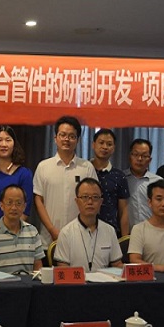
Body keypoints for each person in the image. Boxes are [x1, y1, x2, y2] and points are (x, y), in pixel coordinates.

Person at [33, 116, 98, 247]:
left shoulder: (86, 167)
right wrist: (51, 230)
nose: (66, 139)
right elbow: (38, 200)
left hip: (81, 238)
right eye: (62, 135)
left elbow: (94, 200)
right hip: (49, 239)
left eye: (71, 136)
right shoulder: (43, 166)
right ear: (55, 138)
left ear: (78, 140)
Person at [54, 178, 123, 271]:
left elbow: (117, 264)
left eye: (95, 197)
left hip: (103, 280)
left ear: (101, 202)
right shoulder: (66, 233)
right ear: (77, 201)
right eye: (85, 197)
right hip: (76, 280)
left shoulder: (109, 231)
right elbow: (63, 268)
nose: (90, 202)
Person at [0, 184, 44, 274]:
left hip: (28, 282)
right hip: (2, 283)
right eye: (9, 203)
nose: (14, 207)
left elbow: (38, 268)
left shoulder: (32, 231)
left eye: (18, 203)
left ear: (24, 206)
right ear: (1, 205)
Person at [0, 125, 33, 228]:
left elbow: (26, 209)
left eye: (8, 140)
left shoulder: (24, 174)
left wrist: (9, 232)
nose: (3, 144)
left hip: (14, 232)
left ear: (14, 144)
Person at [90, 129, 130, 236]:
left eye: (109, 144)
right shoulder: (83, 170)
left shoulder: (119, 176)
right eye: (101, 142)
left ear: (114, 148)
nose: (105, 147)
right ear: (93, 145)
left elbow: (123, 211)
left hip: (110, 233)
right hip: (84, 231)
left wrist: (125, 239)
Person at [124, 138, 162, 229]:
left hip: (153, 231)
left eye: (144, 156)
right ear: (129, 157)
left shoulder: (158, 182)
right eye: (136, 154)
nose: (139, 159)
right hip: (127, 232)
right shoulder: (121, 179)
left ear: (150, 160)